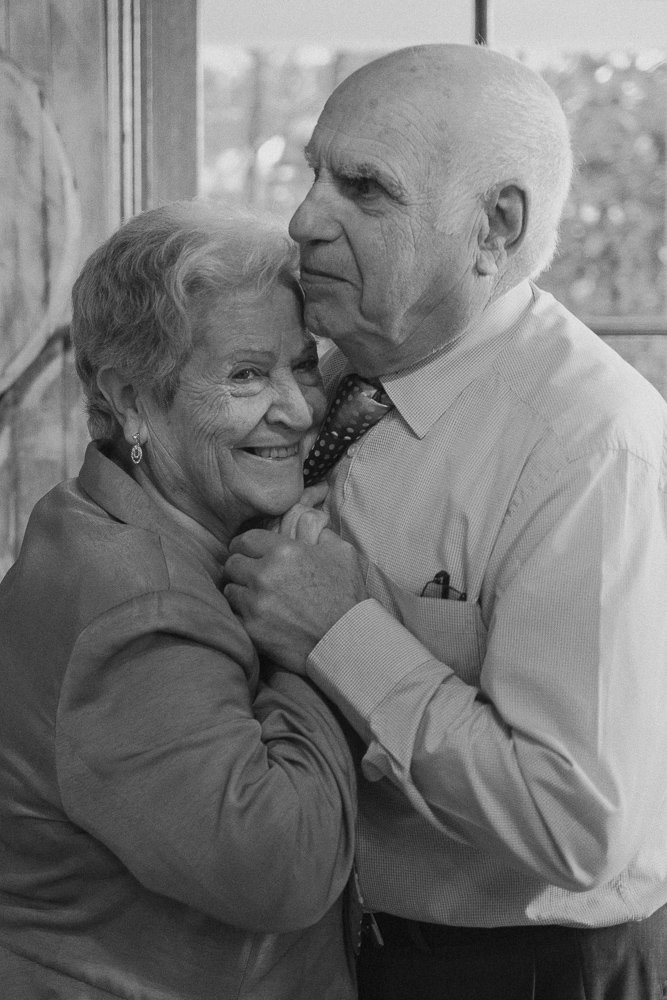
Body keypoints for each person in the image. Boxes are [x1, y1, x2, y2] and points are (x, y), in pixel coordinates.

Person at [222, 43, 667, 1000]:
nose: (303, 219)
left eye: (364, 189)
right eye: (313, 174)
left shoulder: (589, 447)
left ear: (493, 226)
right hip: (329, 944)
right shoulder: (329, 380)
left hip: (519, 971)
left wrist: (343, 634)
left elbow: (578, 827)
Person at [0, 200, 358, 1000]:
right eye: (246, 375)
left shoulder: (95, 518)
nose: (299, 409)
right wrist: (320, 632)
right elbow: (283, 872)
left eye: (302, 365)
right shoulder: (134, 610)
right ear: (130, 399)